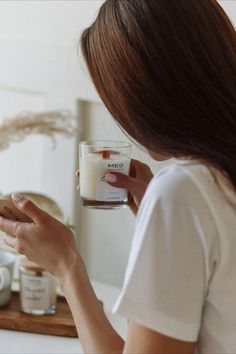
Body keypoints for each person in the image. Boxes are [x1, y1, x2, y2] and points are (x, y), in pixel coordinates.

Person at [0, 0, 236, 352]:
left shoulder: (183, 191)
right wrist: (159, 229)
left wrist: (67, 266)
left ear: (147, 92)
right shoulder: (207, 184)